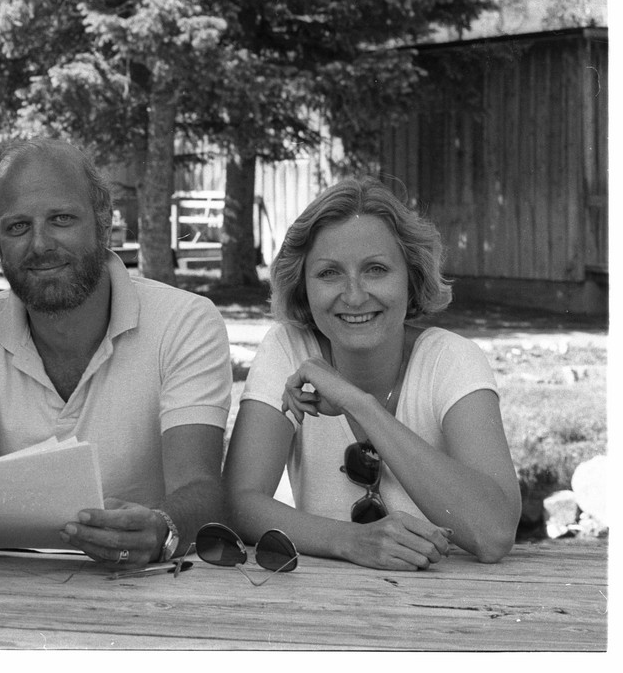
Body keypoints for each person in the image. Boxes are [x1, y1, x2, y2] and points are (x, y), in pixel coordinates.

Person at [0, 138, 232, 569]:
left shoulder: (185, 321)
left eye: (61, 219)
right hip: (9, 578)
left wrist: (162, 529)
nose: (40, 244)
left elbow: (202, 487)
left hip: (143, 582)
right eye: (18, 226)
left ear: (104, 222)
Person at [221, 177, 521, 570]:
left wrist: (357, 403)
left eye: (376, 270)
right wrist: (351, 541)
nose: (355, 295)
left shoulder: (451, 359)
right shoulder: (287, 348)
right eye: (329, 273)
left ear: (411, 279)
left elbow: (495, 534)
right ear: (302, 286)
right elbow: (237, 504)